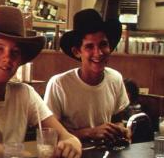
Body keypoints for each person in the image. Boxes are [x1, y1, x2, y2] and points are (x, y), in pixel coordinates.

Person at [0, 5, 81, 158]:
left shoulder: (24, 93)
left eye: (14, 52)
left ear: (20, 60)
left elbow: (63, 134)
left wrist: (72, 142)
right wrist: (25, 155)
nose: (7, 58)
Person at [44, 9, 130, 144]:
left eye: (103, 44)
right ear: (77, 51)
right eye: (90, 46)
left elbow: (117, 119)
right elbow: (49, 135)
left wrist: (120, 130)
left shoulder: (115, 78)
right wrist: (90, 133)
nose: (99, 53)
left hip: (108, 157)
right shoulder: (59, 84)